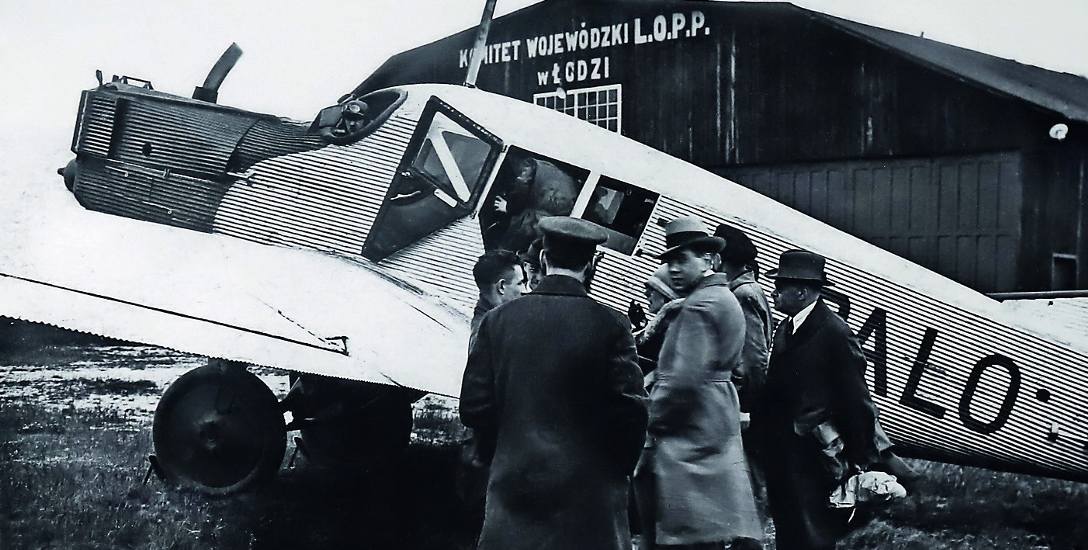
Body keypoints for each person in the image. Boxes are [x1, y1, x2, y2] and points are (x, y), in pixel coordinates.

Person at [460, 216, 649, 550]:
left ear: (544, 259)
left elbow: (474, 407)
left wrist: (503, 455)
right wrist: (616, 471)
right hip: (590, 493)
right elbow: (632, 412)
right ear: (591, 265)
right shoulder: (613, 325)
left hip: (515, 484)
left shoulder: (497, 320)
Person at [636, 215, 763, 550]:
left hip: (688, 436)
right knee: (711, 530)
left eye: (682, 260)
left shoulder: (699, 306)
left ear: (708, 259)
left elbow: (681, 383)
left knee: (682, 534)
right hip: (715, 421)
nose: (674, 270)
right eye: (670, 262)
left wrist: (649, 421)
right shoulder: (724, 297)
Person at [752, 249, 883, 550]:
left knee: (812, 533)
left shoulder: (835, 332)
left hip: (814, 456)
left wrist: (860, 458)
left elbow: (856, 400)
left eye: (780, 286)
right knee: (789, 528)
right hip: (783, 451)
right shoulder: (787, 327)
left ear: (801, 291)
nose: (773, 292)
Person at [714, 224, 773, 528]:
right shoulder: (749, 290)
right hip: (744, 403)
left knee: (749, 479)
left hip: (743, 404)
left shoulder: (742, 295)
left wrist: (746, 405)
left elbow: (753, 360)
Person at [469, 249, 528, 348]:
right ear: (501, 286)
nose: (524, 290)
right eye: (519, 283)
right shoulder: (487, 335)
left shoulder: (490, 323)